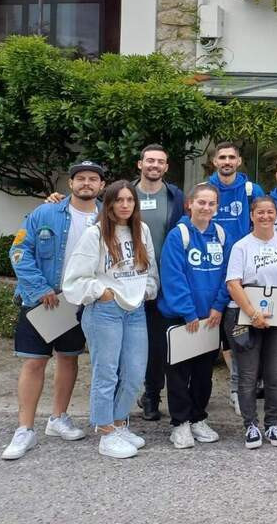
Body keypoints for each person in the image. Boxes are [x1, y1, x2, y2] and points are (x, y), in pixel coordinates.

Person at [2, 160, 103, 460]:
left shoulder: (105, 219)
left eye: (93, 179)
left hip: (76, 304)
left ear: (101, 186)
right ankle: (24, 430)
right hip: (42, 302)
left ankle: (58, 417)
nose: (87, 183)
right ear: (70, 184)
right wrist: (40, 289)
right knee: (34, 363)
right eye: (81, 178)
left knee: (69, 360)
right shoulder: (44, 213)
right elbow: (19, 251)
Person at [62, 180, 157, 458]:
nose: (125, 205)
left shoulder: (142, 230)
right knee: (106, 373)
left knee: (135, 372)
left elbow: (150, 267)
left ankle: (119, 423)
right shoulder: (96, 234)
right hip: (105, 312)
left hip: (136, 311)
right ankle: (105, 432)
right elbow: (75, 279)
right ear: (110, 203)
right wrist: (101, 293)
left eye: (130, 200)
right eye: (119, 200)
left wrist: (147, 290)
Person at [224, 196, 277, 449]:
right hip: (245, 314)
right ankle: (250, 425)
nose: (265, 217)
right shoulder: (242, 246)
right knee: (248, 374)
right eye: (260, 212)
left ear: (276, 215)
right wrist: (252, 313)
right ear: (252, 215)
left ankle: (272, 422)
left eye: (270, 212)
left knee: (275, 372)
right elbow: (233, 283)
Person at [158, 182, 232, 449]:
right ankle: (179, 424)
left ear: (217, 207)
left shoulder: (222, 235)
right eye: (201, 202)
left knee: (203, 373)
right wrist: (188, 312)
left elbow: (228, 274)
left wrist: (218, 306)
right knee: (178, 373)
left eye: (211, 203)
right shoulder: (179, 235)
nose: (206, 207)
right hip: (182, 318)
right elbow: (173, 276)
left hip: (210, 318)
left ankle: (198, 417)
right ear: (190, 204)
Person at [208, 140, 265, 413]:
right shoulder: (205, 190)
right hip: (211, 268)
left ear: (239, 161)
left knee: (241, 332)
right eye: (222, 157)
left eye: (231, 157)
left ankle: (238, 388)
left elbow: (266, 223)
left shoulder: (251, 190)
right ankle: (204, 392)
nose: (227, 161)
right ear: (214, 161)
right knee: (216, 333)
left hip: (245, 270)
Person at [134, 144, 184, 422]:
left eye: (160, 162)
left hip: (164, 282)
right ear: (140, 164)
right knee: (128, 342)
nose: (154, 165)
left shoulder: (175, 196)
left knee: (157, 344)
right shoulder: (124, 194)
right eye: (149, 160)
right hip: (128, 280)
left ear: (166, 167)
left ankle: (152, 395)